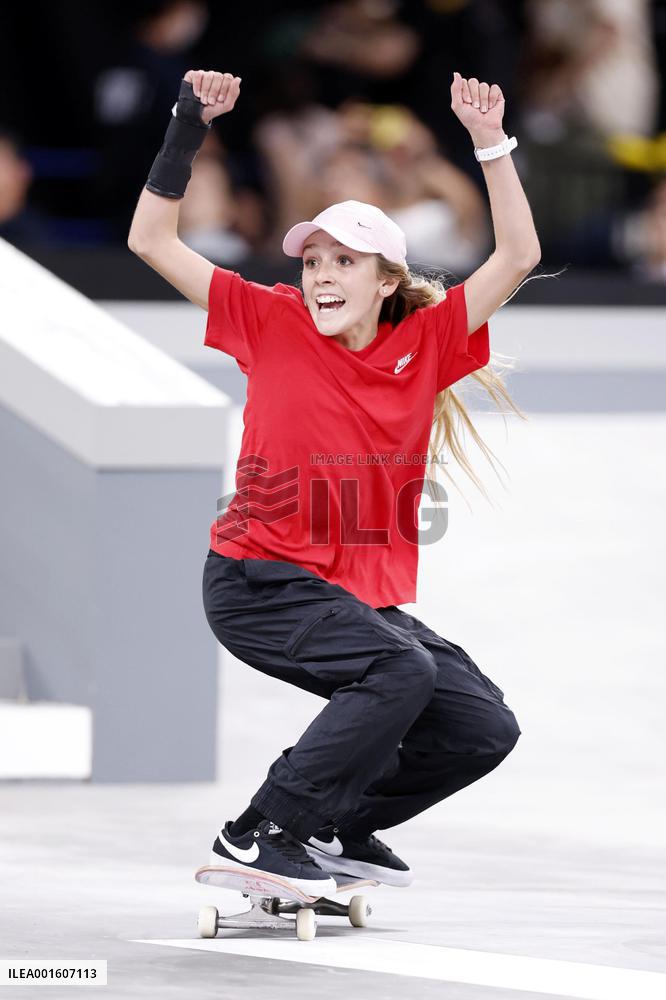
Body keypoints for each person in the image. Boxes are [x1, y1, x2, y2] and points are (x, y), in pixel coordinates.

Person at [128, 68, 540, 898]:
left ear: (386, 281)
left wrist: (489, 144)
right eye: (313, 258)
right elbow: (151, 240)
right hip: (258, 581)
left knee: (481, 725)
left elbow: (520, 255)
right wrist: (186, 125)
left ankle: (339, 823)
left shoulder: (428, 342)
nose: (320, 274)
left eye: (343, 262)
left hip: (349, 597)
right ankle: (260, 831)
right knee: (400, 673)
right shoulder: (269, 319)